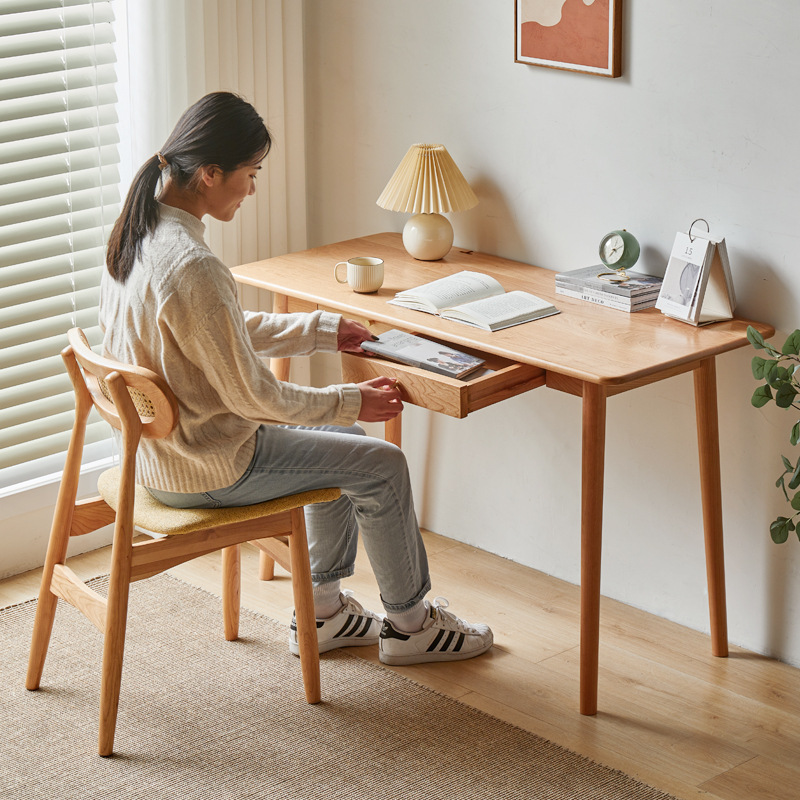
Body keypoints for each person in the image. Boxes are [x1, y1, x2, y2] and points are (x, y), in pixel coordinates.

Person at [100, 91, 492, 666]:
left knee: (342, 452)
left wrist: (320, 329)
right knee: (382, 464)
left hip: (158, 459)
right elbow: (255, 396)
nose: (253, 188)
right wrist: (350, 400)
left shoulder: (140, 232)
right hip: (209, 466)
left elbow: (216, 331)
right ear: (210, 175)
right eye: (250, 173)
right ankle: (411, 626)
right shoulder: (192, 264)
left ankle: (325, 614)